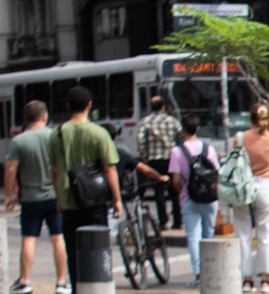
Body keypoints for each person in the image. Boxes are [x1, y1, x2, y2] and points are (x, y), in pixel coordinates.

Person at [52, 84, 123, 274]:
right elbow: (109, 169)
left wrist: (59, 200)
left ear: (67, 106)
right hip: (95, 202)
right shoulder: (99, 133)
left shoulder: (56, 134)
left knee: (74, 254)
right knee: (97, 251)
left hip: (69, 202)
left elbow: (54, 171)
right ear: (90, 105)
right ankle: (98, 292)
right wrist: (117, 199)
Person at [2, 98, 68, 294]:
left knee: (29, 239)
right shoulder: (56, 136)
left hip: (30, 197)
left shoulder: (19, 140)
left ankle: (24, 281)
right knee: (58, 238)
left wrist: (8, 195)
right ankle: (61, 282)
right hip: (54, 196)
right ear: (44, 116)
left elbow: (11, 168)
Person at [229, 102, 269, 293]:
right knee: (266, 233)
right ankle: (266, 280)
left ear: (249, 118)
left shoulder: (240, 137)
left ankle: (247, 279)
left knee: (243, 233)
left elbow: (233, 159)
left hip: (244, 185)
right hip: (265, 186)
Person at [170, 114, 225, 283]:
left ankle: (199, 273)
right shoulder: (208, 149)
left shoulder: (177, 151)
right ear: (197, 129)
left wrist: (182, 192)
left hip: (189, 198)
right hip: (210, 198)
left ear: (182, 129)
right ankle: (211, 270)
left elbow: (176, 181)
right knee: (209, 234)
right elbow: (217, 172)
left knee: (193, 236)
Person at [133, 89, 182, 224]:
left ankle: (163, 222)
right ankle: (178, 221)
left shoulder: (145, 122)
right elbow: (181, 136)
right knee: (174, 191)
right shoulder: (172, 121)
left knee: (159, 192)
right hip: (172, 159)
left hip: (155, 161)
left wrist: (144, 156)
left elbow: (140, 139)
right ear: (163, 107)